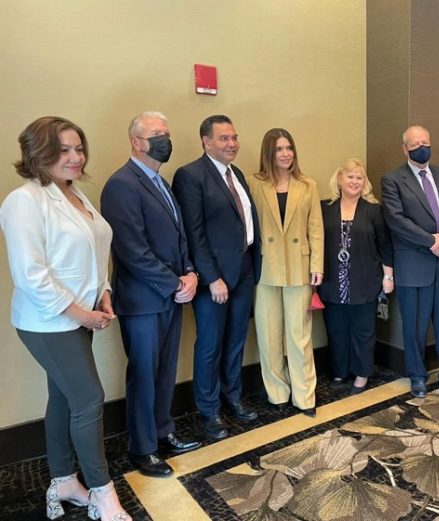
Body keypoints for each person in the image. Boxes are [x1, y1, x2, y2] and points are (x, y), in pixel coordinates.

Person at [0, 117, 130, 520]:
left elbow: (92, 252)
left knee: (64, 397)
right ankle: (102, 493)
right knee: (89, 399)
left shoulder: (74, 193)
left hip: (81, 315)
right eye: (63, 150)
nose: (76, 157)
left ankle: (63, 481)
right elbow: (30, 274)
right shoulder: (24, 200)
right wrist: (82, 314)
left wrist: (104, 292)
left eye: (79, 148)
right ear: (38, 153)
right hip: (47, 322)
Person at [101, 112, 201, 478]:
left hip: (171, 296)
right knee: (144, 374)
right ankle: (142, 449)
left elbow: (180, 237)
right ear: (135, 141)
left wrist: (190, 273)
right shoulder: (121, 185)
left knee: (164, 371)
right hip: (143, 301)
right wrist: (175, 283)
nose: (165, 140)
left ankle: (163, 432)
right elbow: (132, 250)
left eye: (167, 133)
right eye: (156, 134)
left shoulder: (162, 183)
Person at [172, 116, 261, 439]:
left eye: (234, 137)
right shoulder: (190, 175)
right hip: (215, 280)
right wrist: (212, 278)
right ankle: (209, 411)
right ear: (206, 141)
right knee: (210, 345)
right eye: (224, 138)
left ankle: (232, 397)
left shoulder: (237, 174)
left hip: (244, 270)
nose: (232, 143)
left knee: (236, 340)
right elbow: (193, 233)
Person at [381, 125, 439, 400]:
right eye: (415, 144)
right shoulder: (393, 179)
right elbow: (396, 221)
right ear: (405, 149)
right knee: (415, 328)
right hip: (414, 266)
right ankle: (417, 377)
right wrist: (433, 242)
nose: (422, 147)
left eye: (426, 142)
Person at [247, 128, 324, 417]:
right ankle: (277, 392)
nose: (285, 153)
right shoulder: (254, 183)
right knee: (268, 334)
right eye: (279, 148)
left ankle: (305, 395)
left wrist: (317, 266)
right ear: (269, 152)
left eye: (289, 147)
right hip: (266, 268)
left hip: (299, 267)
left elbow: (315, 229)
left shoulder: (307, 185)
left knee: (299, 335)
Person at [319, 158, 394, 394]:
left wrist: (388, 277)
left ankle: (362, 374)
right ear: (339, 180)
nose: (354, 181)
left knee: (363, 331)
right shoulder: (325, 208)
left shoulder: (374, 210)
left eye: (359, 177)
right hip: (332, 282)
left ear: (365, 183)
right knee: (336, 330)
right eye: (350, 176)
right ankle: (339, 371)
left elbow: (385, 245)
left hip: (365, 281)